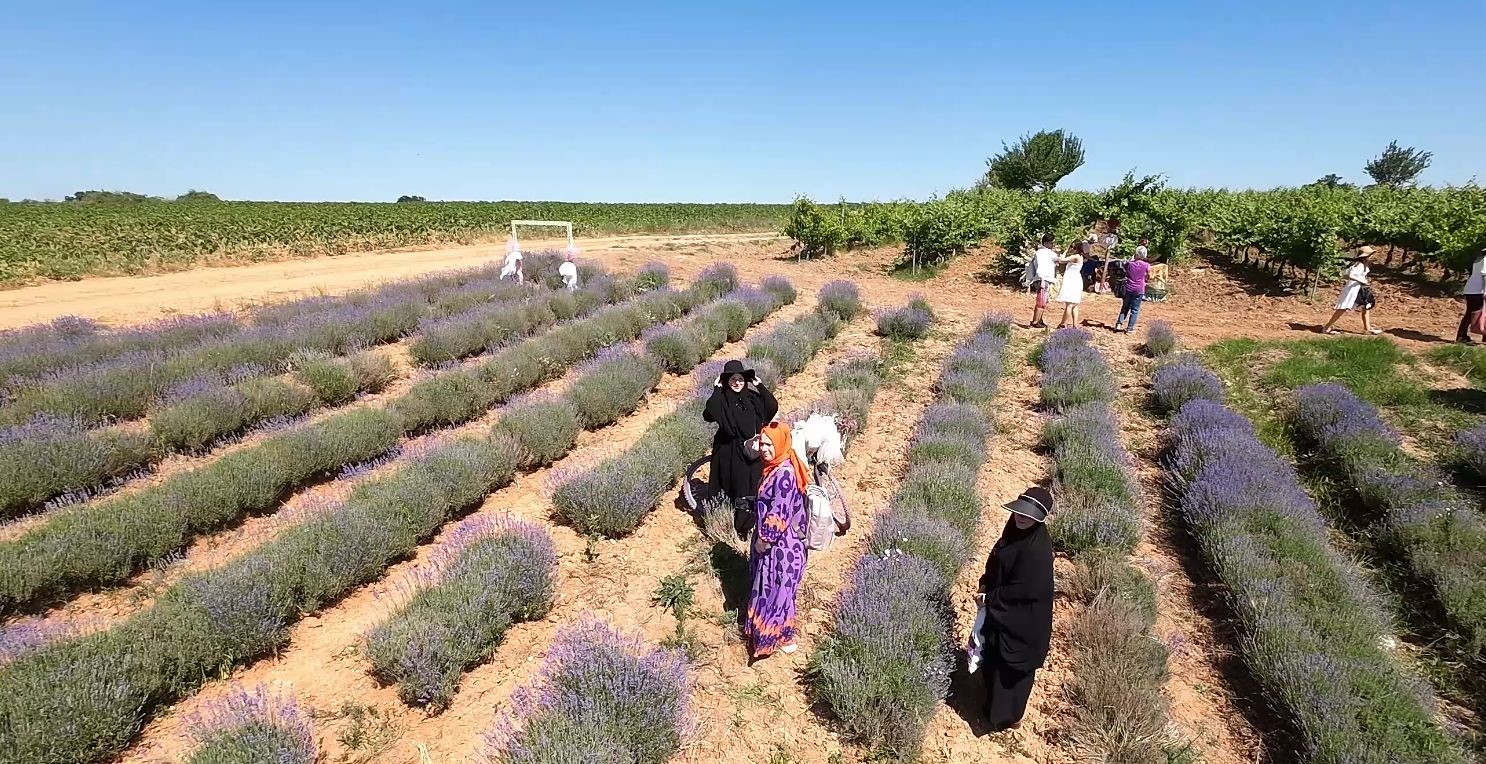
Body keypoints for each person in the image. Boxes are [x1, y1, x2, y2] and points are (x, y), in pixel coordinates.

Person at [976, 487, 1055, 732]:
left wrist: (989, 597)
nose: (1021, 517)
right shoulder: (1013, 533)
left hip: (1022, 624)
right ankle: (990, 706)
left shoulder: (1037, 552)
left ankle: (1004, 719)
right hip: (1003, 615)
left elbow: (1023, 591)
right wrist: (986, 580)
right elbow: (998, 559)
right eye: (1019, 513)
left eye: (1028, 516)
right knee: (994, 662)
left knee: (1010, 676)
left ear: (1038, 519)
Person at [743, 421, 810, 659]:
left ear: (781, 444)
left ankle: (771, 639)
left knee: (775, 591)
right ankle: (781, 636)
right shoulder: (776, 466)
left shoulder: (783, 475)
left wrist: (763, 541)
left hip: (780, 549)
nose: (764, 448)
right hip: (781, 546)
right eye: (761, 443)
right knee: (779, 593)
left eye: (769, 444)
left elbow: (778, 514)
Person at [704, 360, 779, 527]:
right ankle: (738, 525)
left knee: (754, 485)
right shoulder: (723, 399)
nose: (737, 383)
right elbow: (711, 409)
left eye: (740, 379)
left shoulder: (752, 397)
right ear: (726, 382)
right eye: (732, 379)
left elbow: (771, 406)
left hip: (751, 449)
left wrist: (759, 385)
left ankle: (751, 522)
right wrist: (716, 388)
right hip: (730, 451)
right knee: (737, 487)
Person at [1321, 246, 1381, 335]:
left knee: (1366, 306)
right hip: (1354, 288)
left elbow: (1346, 274)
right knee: (1343, 307)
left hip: (1359, 288)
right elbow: (1350, 274)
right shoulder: (1359, 265)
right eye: (1370, 255)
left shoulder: (1359, 264)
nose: (1371, 257)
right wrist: (1363, 281)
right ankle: (1327, 327)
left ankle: (1367, 328)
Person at [1113, 242, 1152, 333]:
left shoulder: (1130, 264)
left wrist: (1131, 259)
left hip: (1128, 288)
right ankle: (1130, 328)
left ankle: (1119, 324)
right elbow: (1149, 275)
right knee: (1135, 309)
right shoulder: (1146, 265)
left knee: (1125, 307)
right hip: (1139, 289)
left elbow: (1125, 266)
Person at [1028, 234, 1059, 329]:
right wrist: (1042, 278)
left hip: (1042, 278)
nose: (1053, 245)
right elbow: (1041, 266)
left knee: (1043, 300)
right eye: (1051, 243)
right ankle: (1035, 321)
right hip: (1043, 279)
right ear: (1046, 243)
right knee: (1041, 301)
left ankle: (1039, 319)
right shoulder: (1045, 253)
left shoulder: (1040, 252)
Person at [1456, 246, 1486, 343]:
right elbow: (1485, 275)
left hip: (1472, 290)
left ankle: (1462, 336)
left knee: (1470, 314)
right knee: (1473, 314)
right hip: (1478, 290)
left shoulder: (1478, 260)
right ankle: (1461, 336)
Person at [1054, 241, 1085, 328]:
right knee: (1074, 304)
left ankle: (1062, 323)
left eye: (1074, 248)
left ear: (1078, 249)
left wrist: (1065, 251)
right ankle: (1075, 324)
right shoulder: (1080, 256)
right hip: (1075, 279)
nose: (1072, 249)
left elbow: (1061, 260)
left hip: (1072, 281)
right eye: (1071, 247)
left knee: (1069, 305)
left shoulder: (1075, 256)